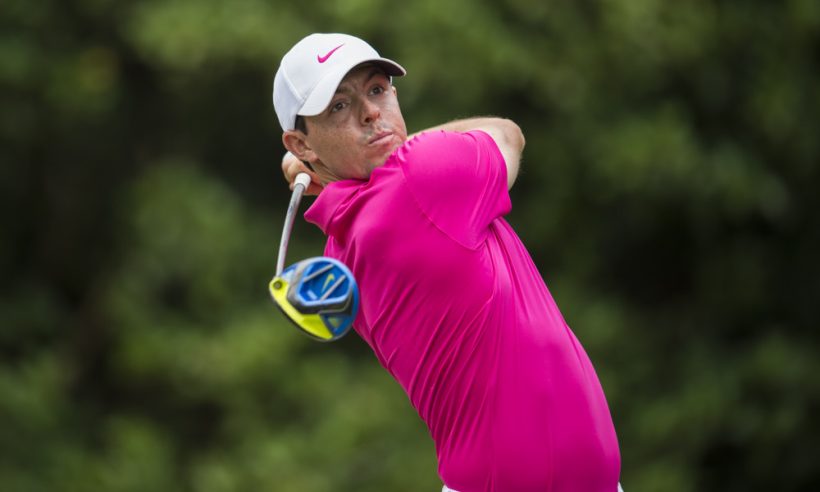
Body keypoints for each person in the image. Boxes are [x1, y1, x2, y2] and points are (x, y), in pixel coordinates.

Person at [273, 33, 622, 492]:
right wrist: (387, 148)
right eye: (339, 106)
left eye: (377, 90)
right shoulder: (422, 179)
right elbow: (507, 134)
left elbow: (371, 185)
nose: (371, 113)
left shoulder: (340, 245)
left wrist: (324, 164)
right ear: (301, 144)